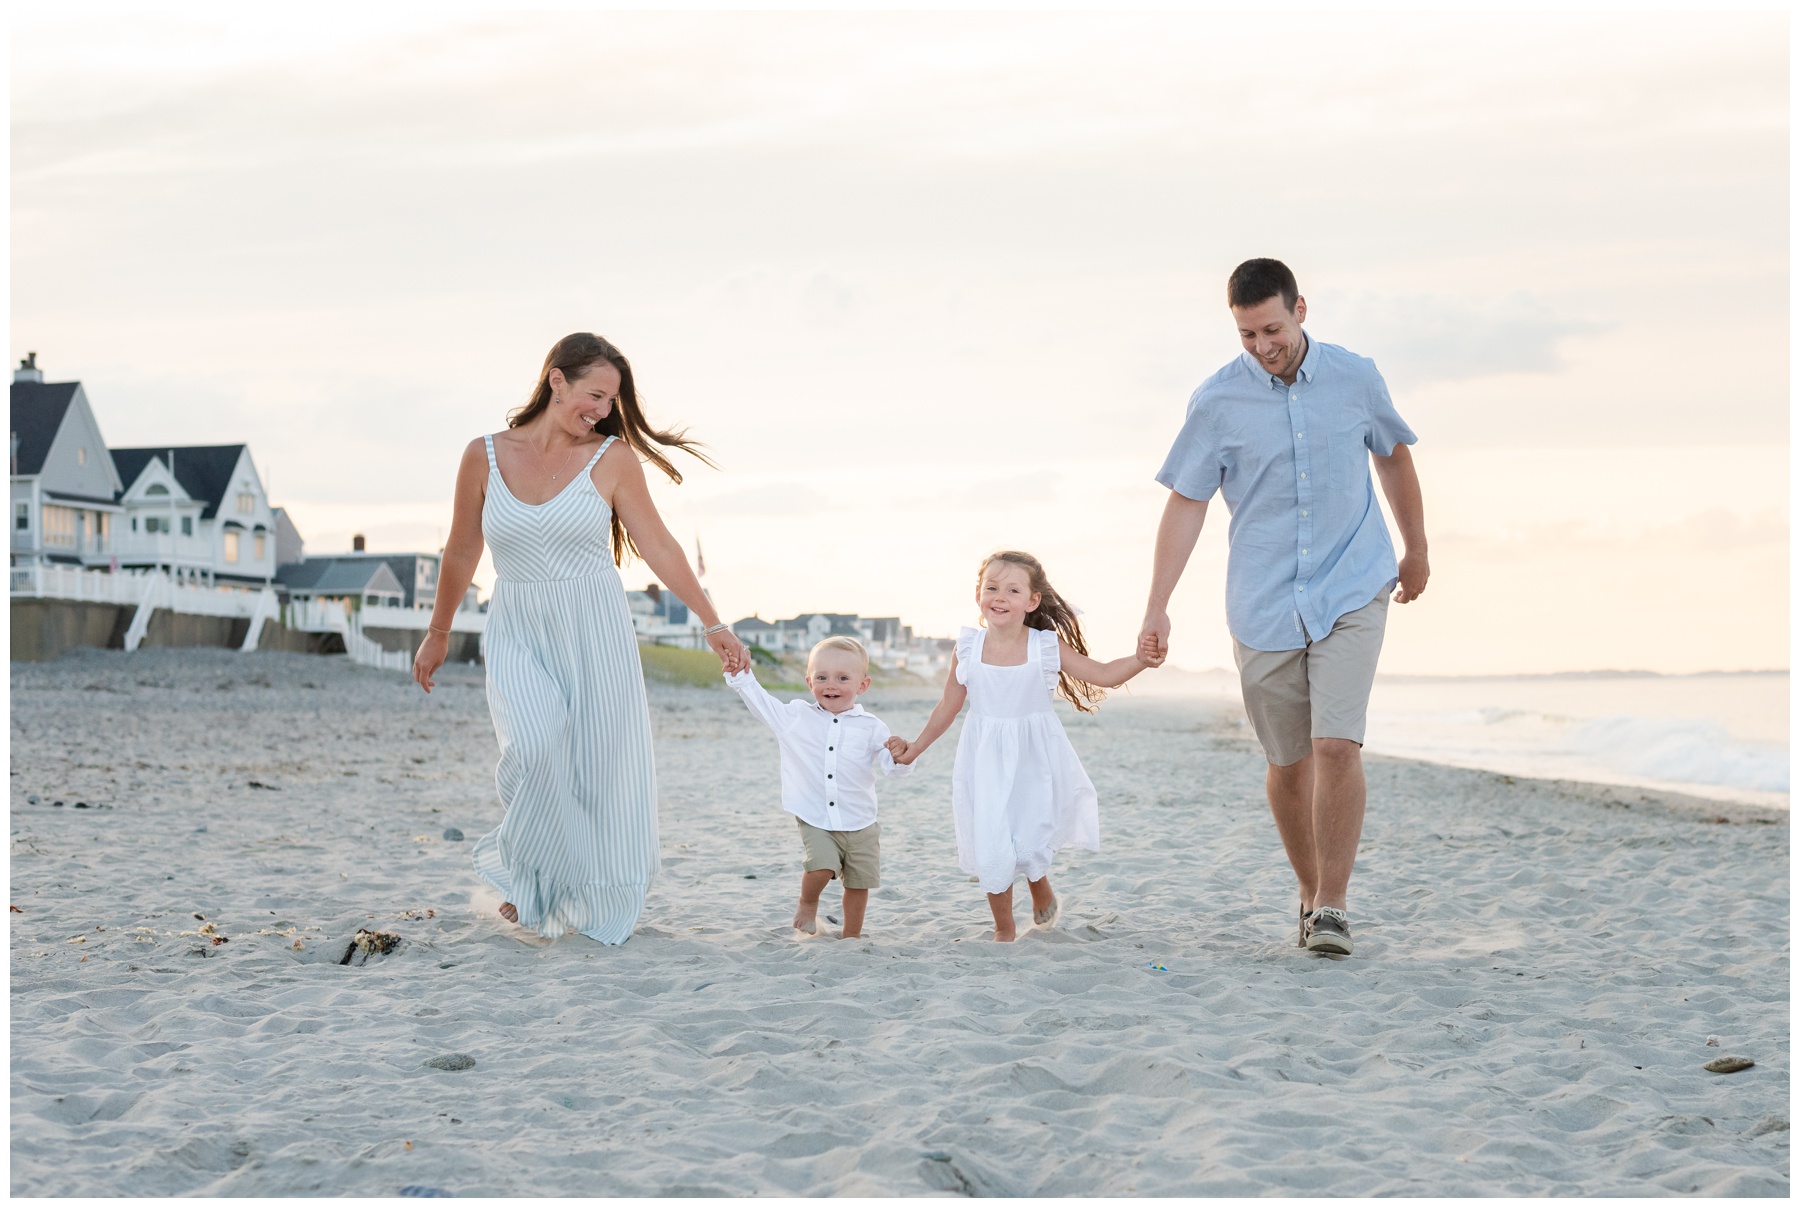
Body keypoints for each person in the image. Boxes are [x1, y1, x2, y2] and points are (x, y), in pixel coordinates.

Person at [413, 332, 750, 944]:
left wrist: (713, 621)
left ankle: (549, 891)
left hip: (594, 627)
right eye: (594, 393)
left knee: (597, 770)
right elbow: (463, 547)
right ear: (556, 381)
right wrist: (438, 632)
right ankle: (532, 877)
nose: (600, 408)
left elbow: (659, 545)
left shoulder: (612, 459)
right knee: (535, 749)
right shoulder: (482, 455)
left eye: (611, 399)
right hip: (517, 624)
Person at [1137, 259, 1429, 957]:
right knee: (1289, 760)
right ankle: (1307, 887)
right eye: (1247, 335)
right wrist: (1158, 606)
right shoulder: (1216, 402)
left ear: (1300, 308)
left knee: (1336, 744)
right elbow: (1187, 500)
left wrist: (1416, 547)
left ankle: (1333, 903)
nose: (1264, 345)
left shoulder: (1356, 376)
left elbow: (1393, 455)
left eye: (1273, 328)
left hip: (1353, 582)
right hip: (1263, 600)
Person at [891, 551, 1160, 942]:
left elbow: (1102, 675)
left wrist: (1141, 660)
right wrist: (915, 747)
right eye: (992, 588)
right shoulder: (967, 647)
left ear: (1031, 601)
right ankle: (1004, 928)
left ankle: (1040, 885)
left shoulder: (1045, 647)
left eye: (1012, 590)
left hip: (1035, 758)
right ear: (979, 594)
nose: (999, 597)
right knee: (993, 840)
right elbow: (948, 706)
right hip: (984, 758)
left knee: (1030, 834)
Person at [726, 635, 911, 939]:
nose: (831, 685)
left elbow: (894, 770)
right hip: (815, 816)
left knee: (858, 883)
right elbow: (761, 702)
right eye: (822, 677)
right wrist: (739, 674)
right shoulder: (796, 717)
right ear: (809, 682)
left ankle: (851, 935)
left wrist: (901, 754)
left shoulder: (872, 727)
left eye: (842, 678)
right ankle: (807, 902)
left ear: (862, 685)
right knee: (821, 868)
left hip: (861, 821)